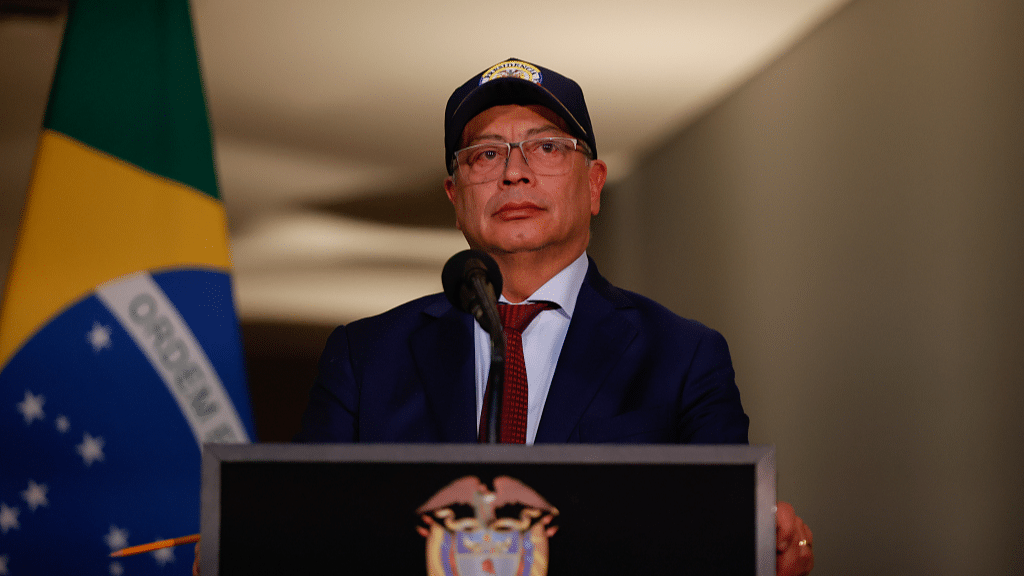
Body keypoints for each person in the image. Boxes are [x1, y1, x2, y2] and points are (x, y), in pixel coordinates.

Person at [195, 58, 813, 576]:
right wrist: (250, 547)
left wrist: (767, 546)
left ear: (595, 184)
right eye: (486, 154)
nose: (515, 172)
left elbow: (720, 532)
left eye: (547, 147)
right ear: (455, 196)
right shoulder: (364, 356)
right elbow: (309, 528)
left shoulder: (683, 356)